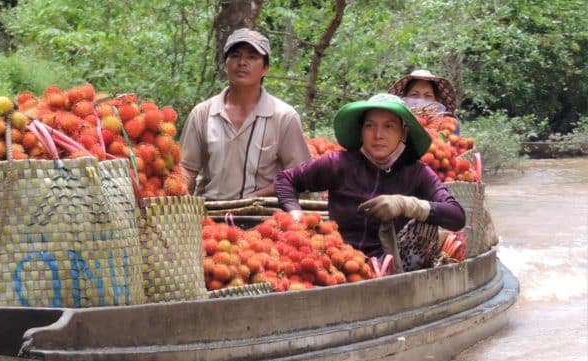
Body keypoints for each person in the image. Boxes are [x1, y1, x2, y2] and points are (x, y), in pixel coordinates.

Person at [274, 93, 465, 265]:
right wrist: (295, 215)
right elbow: (286, 179)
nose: (378, 135)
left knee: (428, 220)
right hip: (339, 260)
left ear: (403, 132)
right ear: (361, 131)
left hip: (393, 267)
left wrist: (407, 204)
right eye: (370, 125)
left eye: (388, 126)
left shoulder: (417, 172)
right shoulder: (339, 164)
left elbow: (457, 216)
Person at [178, 28, 313, 200]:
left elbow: (301, 176)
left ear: (265, 68)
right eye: (235, 55)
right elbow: (187, 168)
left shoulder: (283, 116)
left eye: (252, 57)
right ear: (226, 65)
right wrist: (177, 196)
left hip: (264, 218)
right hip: (211, 214)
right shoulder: (202, 114)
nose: (242, 62)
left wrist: (256, 197)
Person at [388, 68, 457, 119]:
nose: (420, 102)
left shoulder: (448, 124)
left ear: (436, 100)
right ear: (404, 97)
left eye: (428, 95)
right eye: (414, 95)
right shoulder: (395, 122)